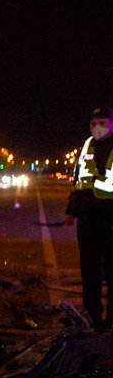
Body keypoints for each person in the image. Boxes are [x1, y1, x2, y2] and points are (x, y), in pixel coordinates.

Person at [65, 107, 113, 327]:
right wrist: (71, 211)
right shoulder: (87, 145)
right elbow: (80, 181)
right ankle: (92, 314)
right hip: (88, 218)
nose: (97, 128)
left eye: (101, 122)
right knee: (89, 269)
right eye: (93, 123)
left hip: (109, 218)